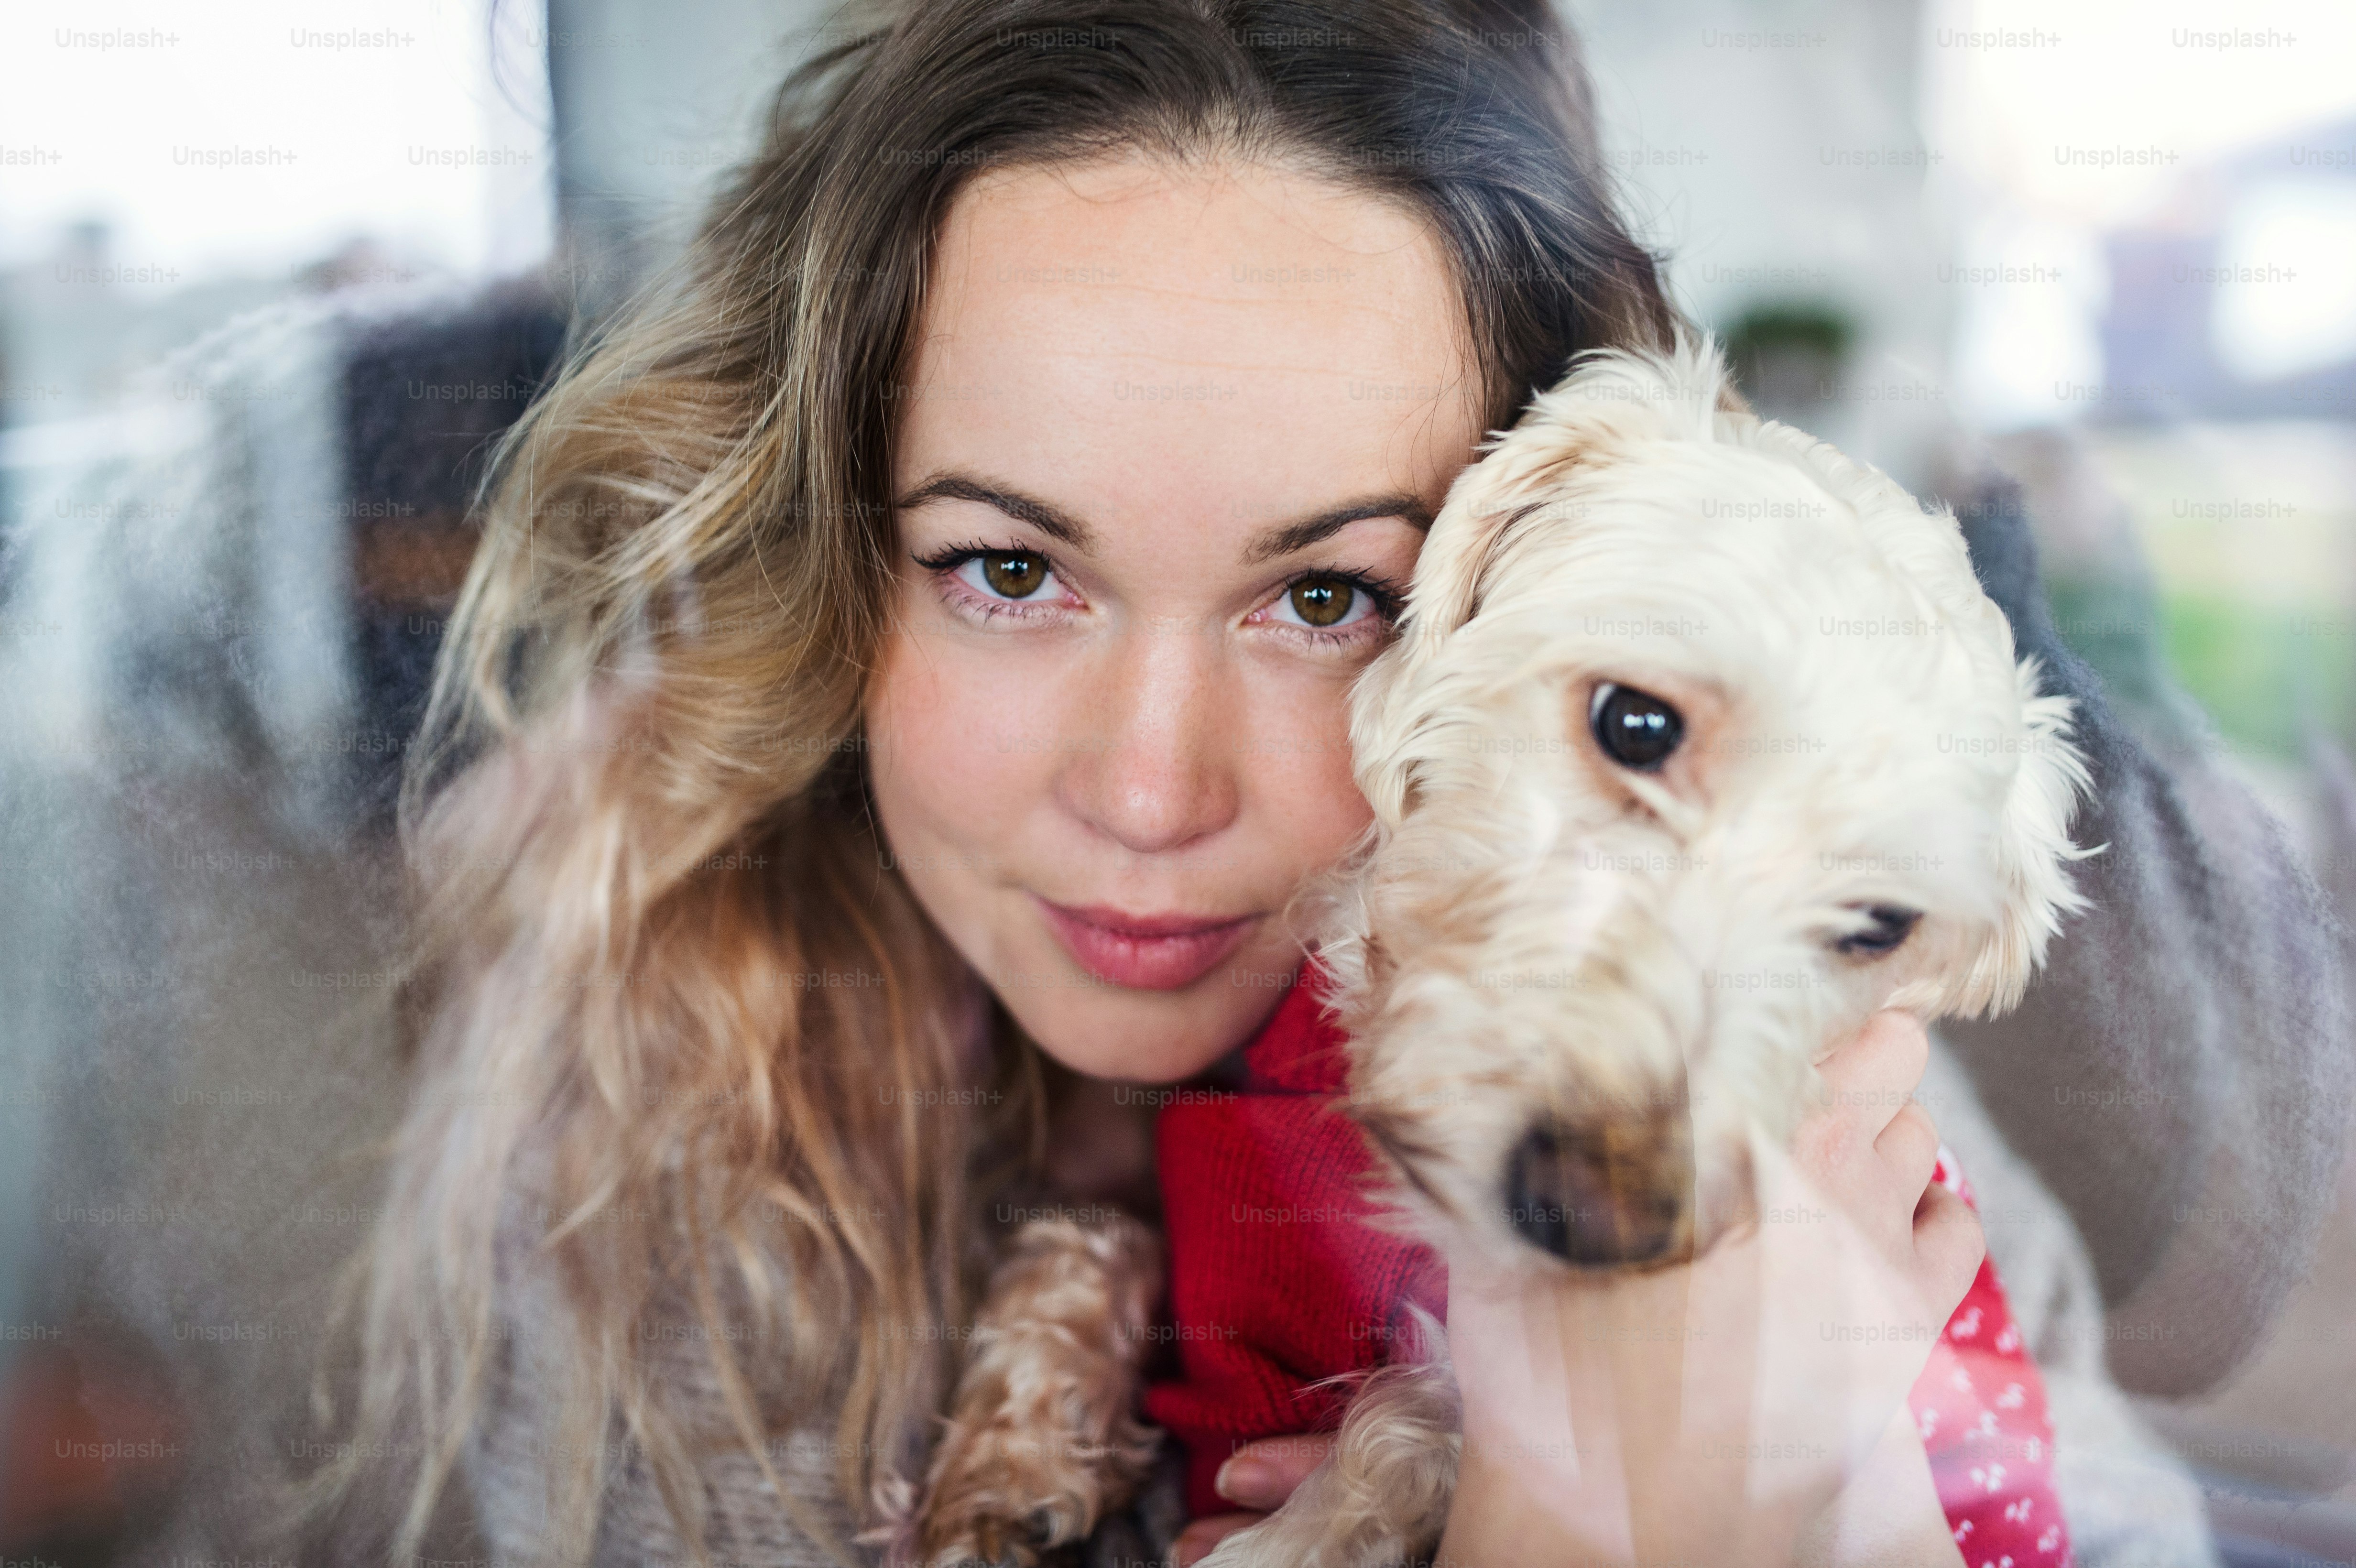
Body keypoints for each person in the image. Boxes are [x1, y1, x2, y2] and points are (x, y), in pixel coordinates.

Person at [328, 0, 2351, 1563]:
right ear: (837, 549)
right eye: (1007, 568)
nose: (1147, 787)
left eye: (1325, 594)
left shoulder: (1781, 1076)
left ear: (1511, 571)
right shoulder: (649, 1100)